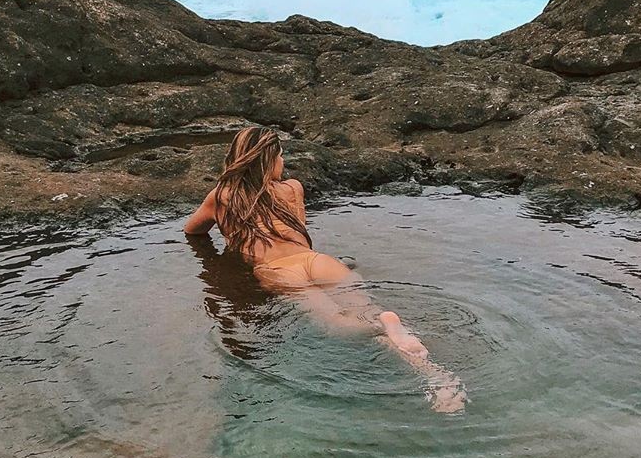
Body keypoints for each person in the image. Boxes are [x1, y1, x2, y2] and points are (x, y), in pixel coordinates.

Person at [183, 127, 466, 412]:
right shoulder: (293, 188)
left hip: (279, 271)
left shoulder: (221, 196)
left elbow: (193, 231)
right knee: (367, 310)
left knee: (338, 325)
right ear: (269, 160)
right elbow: (300, 233)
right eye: (280, 156)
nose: (283, 162)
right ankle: (433, 373)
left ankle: (387, 330)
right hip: (317, 260)